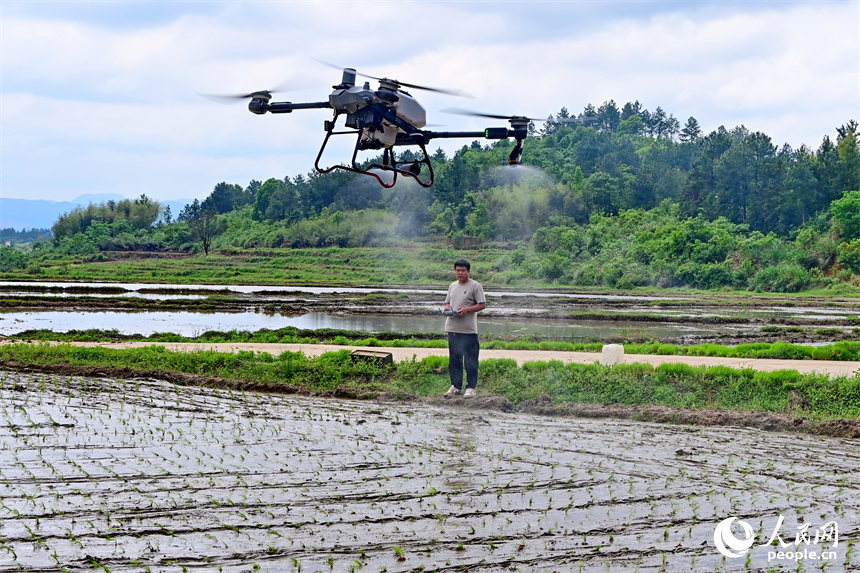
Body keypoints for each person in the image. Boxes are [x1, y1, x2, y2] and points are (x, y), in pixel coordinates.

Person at [442, 259, 486, 398]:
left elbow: (482, 304)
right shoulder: (452, 286)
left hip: (468, 330)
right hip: (453, 328)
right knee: (454, 359)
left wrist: (467, 310)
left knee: (470, 359)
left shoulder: (475, 286)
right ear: (455, 271)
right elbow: (448, 302)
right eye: (458, 270)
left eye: (463, 270)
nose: (460, 273)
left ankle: (471, 388)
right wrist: (447, 308)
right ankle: (456, 386)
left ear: (468, 271)